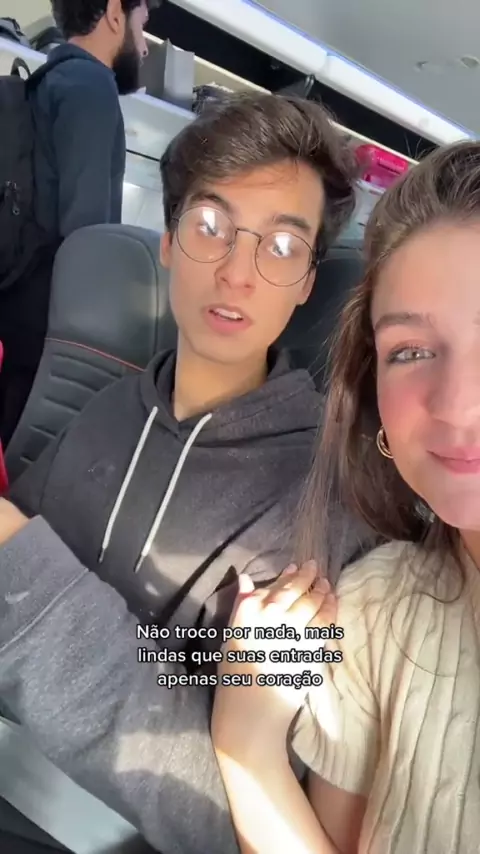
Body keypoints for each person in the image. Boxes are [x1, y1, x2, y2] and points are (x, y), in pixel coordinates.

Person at [0, 93, 370, 852]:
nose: (237, 272)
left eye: (281, 245)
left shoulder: (330, 514)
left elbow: (232, 812)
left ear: (308, 281)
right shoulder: (106, 408)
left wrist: (21, 565)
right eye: (209, 226)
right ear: (168, 241)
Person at [211, 139, 480, 854]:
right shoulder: (373, 610)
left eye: (280, 246)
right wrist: (247, 740)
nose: (457, 405)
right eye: (411, 352)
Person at [0, 0, 151, 446]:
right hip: (48, 328)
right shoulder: (91, 84)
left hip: (15, 306)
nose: (144, 47)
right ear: (115, 13)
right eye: (143, 26)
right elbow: (89, 237)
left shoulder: (47, 81)